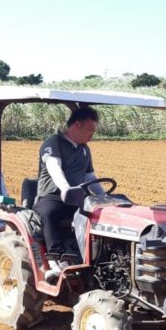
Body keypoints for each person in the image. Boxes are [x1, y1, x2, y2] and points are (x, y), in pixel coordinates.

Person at [34, 106, 105, 280]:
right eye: (90, 130)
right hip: (52, 197)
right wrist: (66, 189)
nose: (92, 135)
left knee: (97, 215)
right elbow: (54, 167)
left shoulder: (84, 150)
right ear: (77, 125)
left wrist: (105, 198)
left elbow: (90, 177)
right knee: (51, 212)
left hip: (76, 198)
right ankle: (55, 260)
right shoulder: (54, 143)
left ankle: (94, 259)